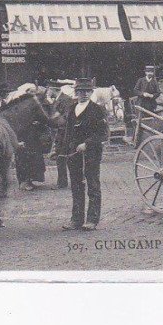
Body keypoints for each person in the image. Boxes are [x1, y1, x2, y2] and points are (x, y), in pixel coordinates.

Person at [62, 77, 109, 231]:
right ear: (76, 92)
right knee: (76, 185)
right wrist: (64, 149)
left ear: (91, 92)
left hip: (92, 153)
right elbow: (67, 132)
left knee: (93, 184)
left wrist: (87, 144)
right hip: (74, 153)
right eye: (81, 91)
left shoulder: (97, 110)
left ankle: (92, 220)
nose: (85, 94)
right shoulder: (71, 109)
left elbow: (103, 134)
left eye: (88, 91)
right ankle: (76, 219)